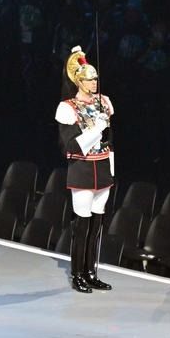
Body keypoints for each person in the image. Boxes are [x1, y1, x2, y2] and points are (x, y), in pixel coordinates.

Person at [55, 46, 114, 293]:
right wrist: (95, 129)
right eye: (90, 79)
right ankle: (78, 273)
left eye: (95, 78)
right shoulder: (68, 107)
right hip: (82, 170)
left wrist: (111, 168)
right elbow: (70, 146)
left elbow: (110, 140)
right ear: (79, 81)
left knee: (97, 224)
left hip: (103, 169)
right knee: (82, 225)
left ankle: (91, 271)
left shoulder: (104, 102)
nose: (94, 83)